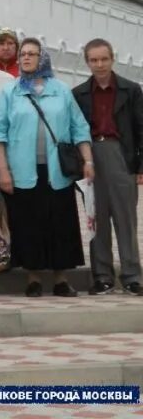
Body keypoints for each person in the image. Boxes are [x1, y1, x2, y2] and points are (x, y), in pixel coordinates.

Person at [0, 38, 92, 297]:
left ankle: (61, 279)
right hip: (23, 171)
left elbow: (80, 127)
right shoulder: (11, 92)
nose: (26, 58)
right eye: (23, 54)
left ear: (42, 58)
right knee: (28, 224)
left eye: (32, 54)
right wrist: (3, 171)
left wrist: (88, 160)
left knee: (61, 223)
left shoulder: (61, 90)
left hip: (58, 172)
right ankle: (32, 278)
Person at [72, 38, 143, 295]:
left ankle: (132, 275)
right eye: (94, 60)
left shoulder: (131, 90)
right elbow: (74, 131)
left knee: (126, 219)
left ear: (112, 59)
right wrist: (80, 164)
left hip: (120, 155)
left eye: (104, 59)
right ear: (87, 62)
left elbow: (141, 128)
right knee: (96, 219)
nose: (99, 64)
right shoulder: (79, 93)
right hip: (91, 156)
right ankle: (102, 275)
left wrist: (140, 166)